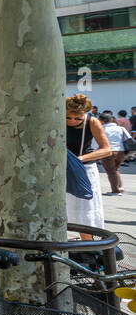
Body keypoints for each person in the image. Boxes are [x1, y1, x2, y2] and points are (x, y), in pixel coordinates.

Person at [66, 95, 111, 236]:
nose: (72, 121)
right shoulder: (55, 119)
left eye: (78, 119)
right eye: (68, 117)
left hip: (84, 170)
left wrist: (80, 159)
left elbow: (106, 149)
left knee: (85, 212)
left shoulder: (92, 122)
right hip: (61, 169)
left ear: (84, 115)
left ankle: (88, 248)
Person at [99, 113, 129, 195]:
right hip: (121, 152)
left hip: (108, 152)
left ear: (101, 121)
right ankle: (120, 186)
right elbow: (129, 138)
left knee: (110, 171)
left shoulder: (101, 128)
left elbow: (97, 141)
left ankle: (115, 191)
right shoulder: (121, 128)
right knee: (116, 169)